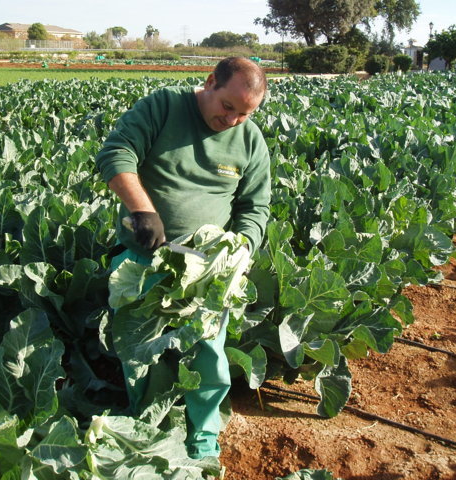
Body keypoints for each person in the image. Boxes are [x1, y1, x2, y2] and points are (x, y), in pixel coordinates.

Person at [95, 56, 271, 460]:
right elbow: (116, 153)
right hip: (148, 258)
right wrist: (142, 210)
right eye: (228, 107)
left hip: (209, 268)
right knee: (142, 348)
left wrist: (241, 247)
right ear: (210, 82)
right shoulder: (163, 106)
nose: (232, 121)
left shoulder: (249, 139)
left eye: (245, 114)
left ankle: (204, 432)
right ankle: (146, 424)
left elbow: (255, 206)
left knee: (209, 353)